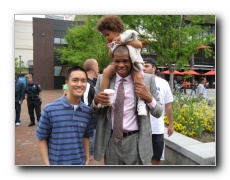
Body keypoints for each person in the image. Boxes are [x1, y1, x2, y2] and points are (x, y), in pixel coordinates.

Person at [92, 45, 163, 165]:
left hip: (136, 142)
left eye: (125, 61)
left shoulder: (147, 80)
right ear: (113, 61)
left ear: (132, 61)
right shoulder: (103, 79)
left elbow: (159, 112)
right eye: (117, 61)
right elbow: (94, 112)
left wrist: (149, 98)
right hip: (112, 142)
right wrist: (96, 102)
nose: (121, 65)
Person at [36, 66, 94, 165]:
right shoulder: (50, 109)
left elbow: (86, 137)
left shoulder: (87, 111)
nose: (79, 84)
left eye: (83, 81)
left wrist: (87, 159)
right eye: (75, 80)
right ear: (67, 82)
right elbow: (41, 138)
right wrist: (47, 165)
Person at [96, 15, 147, 116]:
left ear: (115, 29)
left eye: (107, 34)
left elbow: (139, 45)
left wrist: (125, 41)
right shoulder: (113, 42)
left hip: (132, 64)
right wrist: (113, 46)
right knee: (106, 72)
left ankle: (141, 103)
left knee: (138, 78)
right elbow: (110, 55)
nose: (107, 38)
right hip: (118, 64)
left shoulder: (127, 36)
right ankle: (103, 97)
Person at [143, 59, 174, 165]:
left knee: (157, 158)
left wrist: (171, 124)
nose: (144, 68)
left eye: (147, 66)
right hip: (141, 128)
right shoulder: (138, 81)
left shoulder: (163, 83)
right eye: (143, 66)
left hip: (157, 128)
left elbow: (168, 105)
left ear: (154, 68)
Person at [83, 59, 99, 158]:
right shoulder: (87, 84)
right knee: (88, 154)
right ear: (94, 68)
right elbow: (85, 106)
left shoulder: (92, 83)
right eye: (97, 66)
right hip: (89, 125)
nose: (98, 69)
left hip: (93, 124)